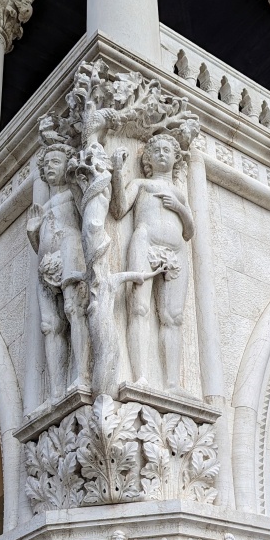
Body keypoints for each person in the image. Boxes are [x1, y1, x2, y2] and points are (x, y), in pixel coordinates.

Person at [111, 134, 195, 390]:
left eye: (167, 150)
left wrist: (180, 209)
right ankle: (141, 377)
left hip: (176, 252)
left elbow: (189, 231)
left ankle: (172, 383)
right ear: (147, 158)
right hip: (145, 243)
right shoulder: (140, 184)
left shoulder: (178, 193)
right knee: (138, 308)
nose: (161, 154)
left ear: (175, 158)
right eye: (156, 150)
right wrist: (116, 172)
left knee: (173, 316)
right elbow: (119, 209)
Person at [27, 144, 90, 402]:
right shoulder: (44, 206)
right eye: (46, 163)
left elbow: (90, 219)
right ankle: (55, 390)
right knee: (49, 325)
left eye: (55, 161)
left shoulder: (73, 193)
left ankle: (82, 375)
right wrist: (33, 231)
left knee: (74, 311)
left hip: (70, 252)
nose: (49, 166)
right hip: (46, 263)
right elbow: (40, 243)